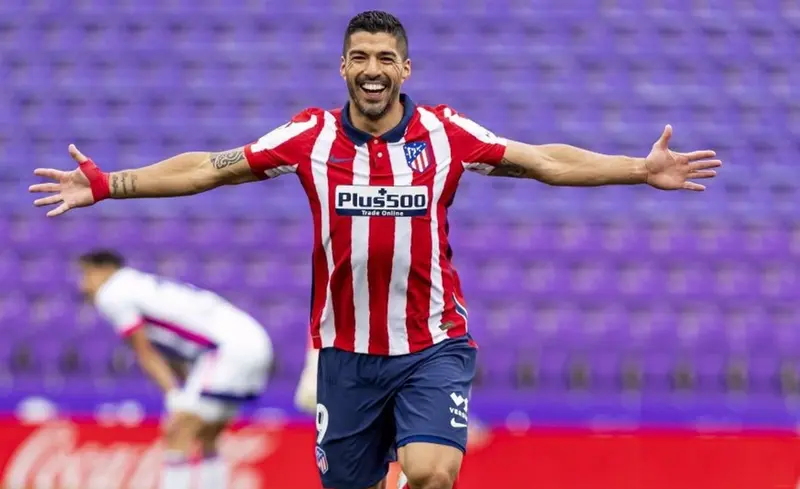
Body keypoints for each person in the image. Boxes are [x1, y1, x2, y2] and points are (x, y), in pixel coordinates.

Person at [30, 10, 721, 489]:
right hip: (346, 355)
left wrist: (638, 166)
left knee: (430, 470)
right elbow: (209, 167)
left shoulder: (446, 135)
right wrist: (110, 184)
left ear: (405, 67)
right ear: (342, 68)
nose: (372, 68)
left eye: (384, 58)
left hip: (432, 342)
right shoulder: (308, 139)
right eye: (360, 57)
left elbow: (542, 159)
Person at [75, 250, 273, 489]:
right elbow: (175, 350)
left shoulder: (112, 293)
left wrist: (173, 395)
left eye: (86, 274)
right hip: (252, 339)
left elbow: (144, 351)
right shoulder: (137, 284)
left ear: (105, 269)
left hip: (225, 350)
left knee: (178, 430)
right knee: (208, 434)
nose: (82, 284)